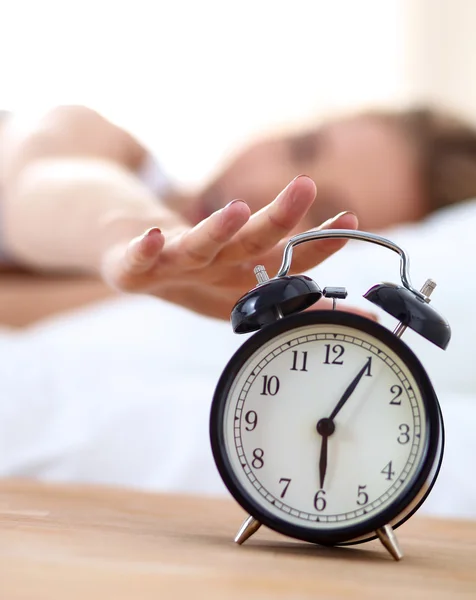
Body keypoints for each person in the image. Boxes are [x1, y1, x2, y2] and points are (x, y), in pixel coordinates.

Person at [1, 104, 476, 320]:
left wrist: (161, 275)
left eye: (320, 211)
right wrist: (131, 235)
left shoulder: (168, 292)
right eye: (299, 146)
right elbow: (33, 181)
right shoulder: (102, 142)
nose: (259, 188)